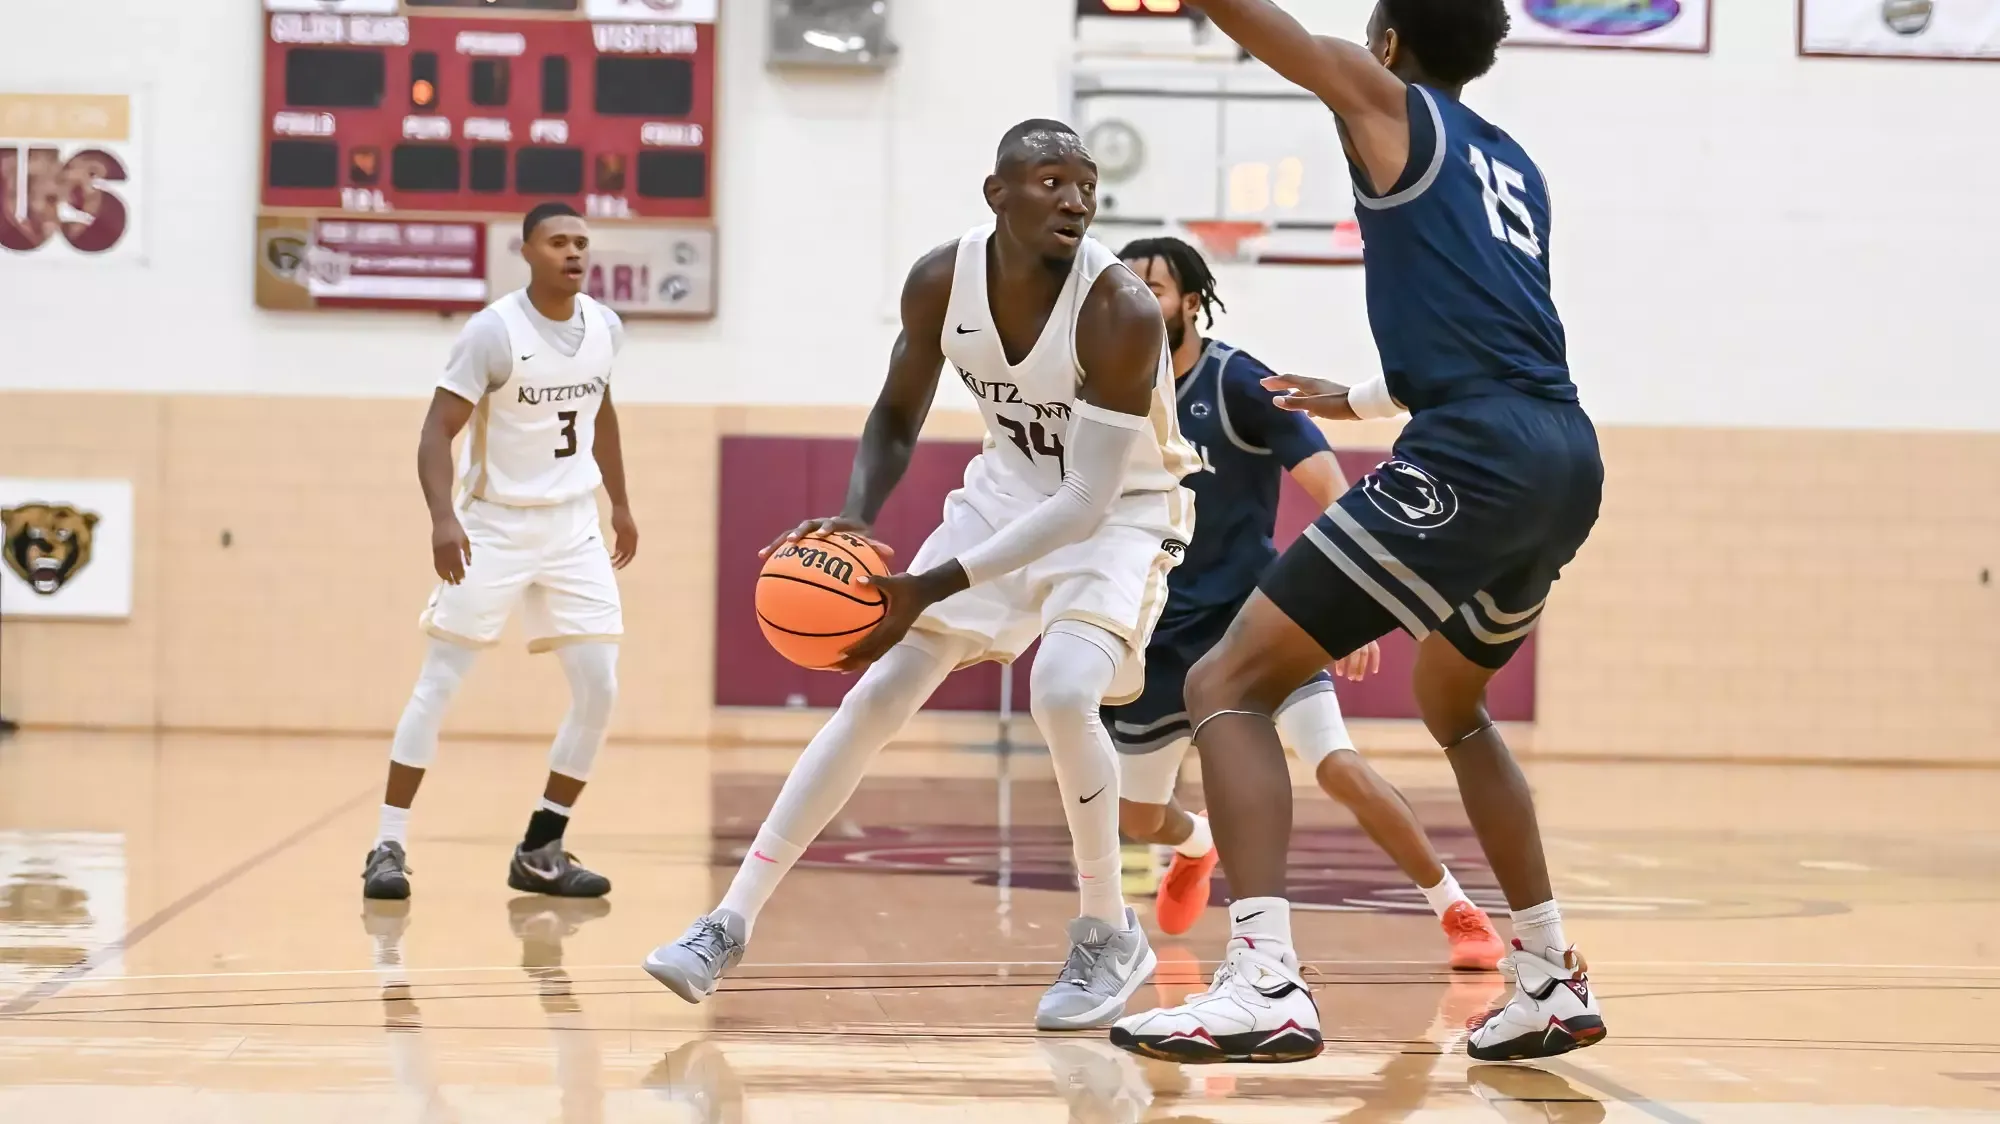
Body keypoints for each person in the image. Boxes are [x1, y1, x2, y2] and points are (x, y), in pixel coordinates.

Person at [1111, 0, 1606, 1065]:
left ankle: (1263, 983)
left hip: (1473, 453)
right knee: (1452, 702)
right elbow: (1490, 320)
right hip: (1563, 449)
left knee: (1223, 684)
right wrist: (1362, 396)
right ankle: (1549, 973)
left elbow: (1276, 39)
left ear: (1385, 43)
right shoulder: (1510, 162)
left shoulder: (1386, 99)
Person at [644, 119, 1200, 1031]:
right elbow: (897, 414)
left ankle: (1109, 931)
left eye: (1086, 185)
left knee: (1062, 692)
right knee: (878, 694)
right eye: (1052, 180)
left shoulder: (1119, 308)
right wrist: (858, 520)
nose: (1075, 200)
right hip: (1003, 494)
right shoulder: (944, 280)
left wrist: (926, 587)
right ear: (999, 194)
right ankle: (726, 921)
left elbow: (1085, 498)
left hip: (1120, 516)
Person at [1110, 236, 1503, 971]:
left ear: (1191, 302)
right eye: (1127, 289)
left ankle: (1456, 908)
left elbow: (1326, 479)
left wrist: (1352, 591)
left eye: (1154, 288)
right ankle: (1197, 844)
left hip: (1257, 622)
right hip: (1158, 629)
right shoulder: (1115, 392)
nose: (1139, 302)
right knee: (1134, 816)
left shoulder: (1235, 382)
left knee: (1336, 763)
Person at [360, 202, 638, 901]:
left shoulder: (605, 326)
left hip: (572, 526)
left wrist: (622, 504)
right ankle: (387, 843)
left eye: (580, 242)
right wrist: (442, 517)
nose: (573, 252)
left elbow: (600, 411)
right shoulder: (493, 333)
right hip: (494, 526)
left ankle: (543, 847)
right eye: (557, 242)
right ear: (527, 251)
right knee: (442, 681)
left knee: (599, 687)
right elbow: (434, 432)